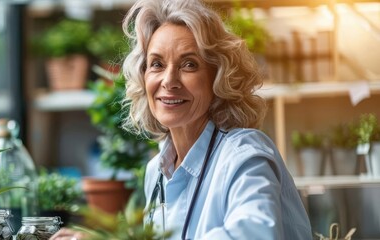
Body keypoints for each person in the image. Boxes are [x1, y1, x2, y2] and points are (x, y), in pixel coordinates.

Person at [51, 0, 312, 239]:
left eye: (189, 64)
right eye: (157, 64)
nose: (169, 80)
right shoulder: (156, 172)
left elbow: (256, 234)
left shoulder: (245, 154)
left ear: (218, 77)